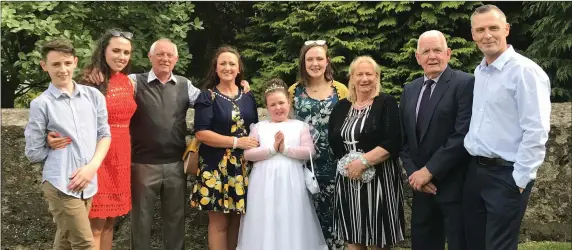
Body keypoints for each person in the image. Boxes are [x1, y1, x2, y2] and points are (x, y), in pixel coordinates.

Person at [463, 5, 551, 250]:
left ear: (507, 29)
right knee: (475, 243)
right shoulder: (481, 71)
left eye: (493, 28)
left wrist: (520, 179)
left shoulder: (525, 72)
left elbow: (536, 130)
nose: (487, 35)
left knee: (499, 246)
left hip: (507, 175)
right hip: (475, 172)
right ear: (473, 34)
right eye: (480, 29)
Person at [47, 29, 136, 250]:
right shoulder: (89, 81)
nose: (121, 57)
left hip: (121, 158)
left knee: (108, 224)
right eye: (116, 50)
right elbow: (64, 113)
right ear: (103, 50)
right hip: (96, 157)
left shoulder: (127, 81)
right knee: (93, 226)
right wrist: (49, 136)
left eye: (126, 52)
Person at [24, 38, 112, 249]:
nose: (62, 69)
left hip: (88, 183)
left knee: (64, 242)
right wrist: (47, 143)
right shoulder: (41, 104)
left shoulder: (94, 96)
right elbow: (33, 153)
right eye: (55, 64)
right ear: (44, 66)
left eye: (66, 63)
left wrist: (92, 168)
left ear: (74, 62)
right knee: (84, 243)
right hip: (61, 184)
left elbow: (104, 134)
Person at [399, 30, 474, 250]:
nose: (432, 56)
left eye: (437, 50)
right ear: (417, 57)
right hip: (421, 189)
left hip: (454, 186)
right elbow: (404, 140)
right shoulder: (409, 90)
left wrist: (429, 171)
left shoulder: (465, 83)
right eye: (426, 51)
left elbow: (463, 134)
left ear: (448, 53)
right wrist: (415, 174)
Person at [237, 78, 328, 250]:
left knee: (291, 219)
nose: (278, 108)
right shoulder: (258, 127)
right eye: (273, 105)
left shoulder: (300, 126)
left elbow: (310, 151)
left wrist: (284, 149)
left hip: (292, 181)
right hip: (263, 183)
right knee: (265, 220)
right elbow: (248, 154)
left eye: (281, 103)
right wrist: (272, 149)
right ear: (266, 107)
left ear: (289, 102)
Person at [328, 56, 404, 250]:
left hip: (378, 179)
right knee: (353, 237)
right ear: (351, 78)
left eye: (369, 74)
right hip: (348, 181)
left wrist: (363, 162)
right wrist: (347, 165)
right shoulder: (341, 107)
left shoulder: (386, 103)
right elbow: (333, 140)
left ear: (377, 76)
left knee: (377, 237)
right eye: (359, 74)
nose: (364, 79)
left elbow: (393, 141)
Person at [190, 46, 259, 250]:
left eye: (232, 64)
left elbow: (254, 127)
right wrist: (236, 142)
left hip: (242, 167)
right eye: (223, 63)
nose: (227, 67)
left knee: (237, 222)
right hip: (215, 167)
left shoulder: (247, 95)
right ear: (216, 68)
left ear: (239, 69)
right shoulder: (207, 96)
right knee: (219, 223)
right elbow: (201, 133)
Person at [287, 40, 348, 249]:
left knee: (336, 221)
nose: (315, 63)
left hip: (335, 167)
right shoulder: (293, 91)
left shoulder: (341, 90)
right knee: (305, 221)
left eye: (319, 58)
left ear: (327, 61)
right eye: (310, 59)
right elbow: (285, 124)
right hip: (303, 168)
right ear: (303, 63)